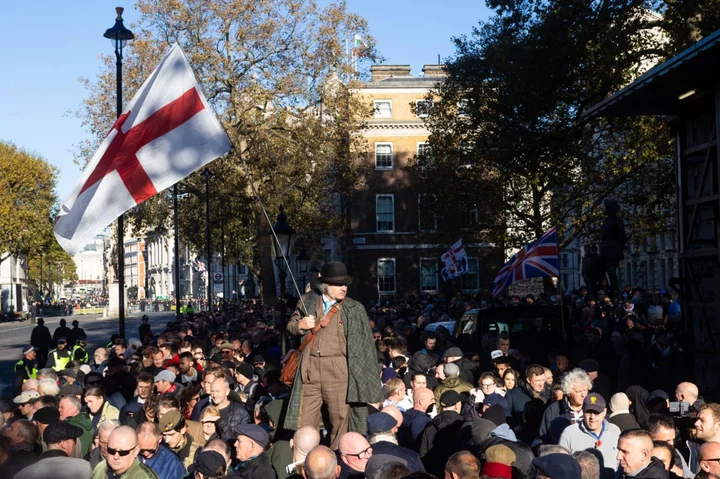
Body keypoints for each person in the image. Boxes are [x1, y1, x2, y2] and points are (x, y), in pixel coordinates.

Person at [285, 261, 383, 450]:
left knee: (341, 422)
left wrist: (366, 384)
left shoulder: (354, 309)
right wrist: (301, 326)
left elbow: (365, 349)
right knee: (304, 423)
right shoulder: (307, 301)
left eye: (345, 284)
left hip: (340, 373)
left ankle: (339, 463)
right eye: (338, 284)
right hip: (309, 371)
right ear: (325, 285)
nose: (343, 288)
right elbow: (290, 326)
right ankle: (308, 464)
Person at [558, 393, 621, 470]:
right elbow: (562, 465)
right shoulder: (569, 433)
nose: (592, 417)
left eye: (597, 412)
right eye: (588, 412)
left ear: (604, 412)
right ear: (583, 412)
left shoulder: (615, 431)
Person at [15, 421, 91, 479]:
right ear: (63, 443)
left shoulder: (23, 474)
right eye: (74, 440)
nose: (75, 444)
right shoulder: (85, 468)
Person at [419, 390, 465, 477]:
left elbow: (423, 454)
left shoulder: (430, 427)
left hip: (434, 473)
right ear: (457, 405)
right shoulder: (464, 425)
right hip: (458, 474)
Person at [539, 368, 592, 441]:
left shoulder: (593, 408)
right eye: (578, 391)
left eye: (585, 390)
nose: (583, 395)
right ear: (568, 392)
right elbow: (543, 437)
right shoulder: (553, 410)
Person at [91, 425, 158, 479]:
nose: (116, 457)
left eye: (123, 452)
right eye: (112, 450)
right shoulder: (100, 468)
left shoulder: (145, 477)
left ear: (136, 451)